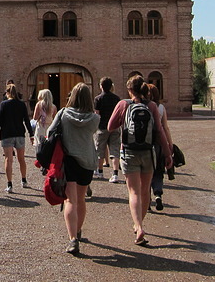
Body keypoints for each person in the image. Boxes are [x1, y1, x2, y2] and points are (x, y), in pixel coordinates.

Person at [107, 75, 172, 246]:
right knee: (145, 192)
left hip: (129, 152)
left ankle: (138, 226)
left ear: (129, 89)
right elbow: (159, 131)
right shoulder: (151, 105)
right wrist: (167, 154)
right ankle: (139, 225)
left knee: (133, 192)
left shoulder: (124, 104)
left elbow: (110, 126)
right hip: (148, 152)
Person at [47, 82, 99, 255]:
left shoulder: (63, 114)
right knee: (81, 199)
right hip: (88, 161)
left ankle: (72, 240)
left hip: (68, 161)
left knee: (70, 200)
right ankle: (77, 230)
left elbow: (49, 133)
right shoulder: (94, 118)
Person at [0, 83, 35, 193]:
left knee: (8, 159)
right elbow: (27, 120)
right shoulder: (21, 105)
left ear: (7, 93)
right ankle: (24, 180)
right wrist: (31, 134)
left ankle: (9, 184)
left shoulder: (3, 104)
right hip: (19, 133)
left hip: (7, 134)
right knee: (21, 159)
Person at [148, 84, 173, 211]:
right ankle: (158, 194)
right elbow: (165, 128)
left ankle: (147, 200)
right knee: (158, 171)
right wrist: (170, 144)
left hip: (145, 144)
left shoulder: (142, 106)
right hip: (159, 144)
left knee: (145, 172)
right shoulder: (161, 107)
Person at [94, 77, 123, 184]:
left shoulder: (98, 99)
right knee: (115, 150)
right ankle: (115, 174)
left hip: (102, 127)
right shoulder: (117, 98)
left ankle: (100, 171)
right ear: (111, 86)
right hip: (114, 127)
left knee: (100, 150)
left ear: (101, 86)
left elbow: (97, 114)